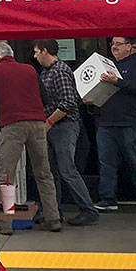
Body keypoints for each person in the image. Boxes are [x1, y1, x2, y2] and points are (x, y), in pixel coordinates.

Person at [0, 42, 61, 231]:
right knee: (44, 173)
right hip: (37, 124)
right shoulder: (30, 70)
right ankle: (54, 219)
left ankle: (4, 223)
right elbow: (46, 98)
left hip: (12, 125)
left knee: (6, 177)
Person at [33, 40, 98, 226]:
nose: (35, 56)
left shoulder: (60, 71)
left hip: (64, 126)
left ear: (45, 51)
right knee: (52, 171)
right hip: (54, 126)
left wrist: (50, 121)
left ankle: (88, 209)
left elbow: (68, 102)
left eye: (37, 52)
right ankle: (53, 210)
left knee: (67, 169)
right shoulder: (46, 72)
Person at [93, 37, 136, 212]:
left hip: (130, 122)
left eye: (119, 44)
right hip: (106, 122)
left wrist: (117, 81)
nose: (114, 48)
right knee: (106, 162)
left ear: (129, 47)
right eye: (112, 45)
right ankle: (107, 198)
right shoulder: (109, 65)